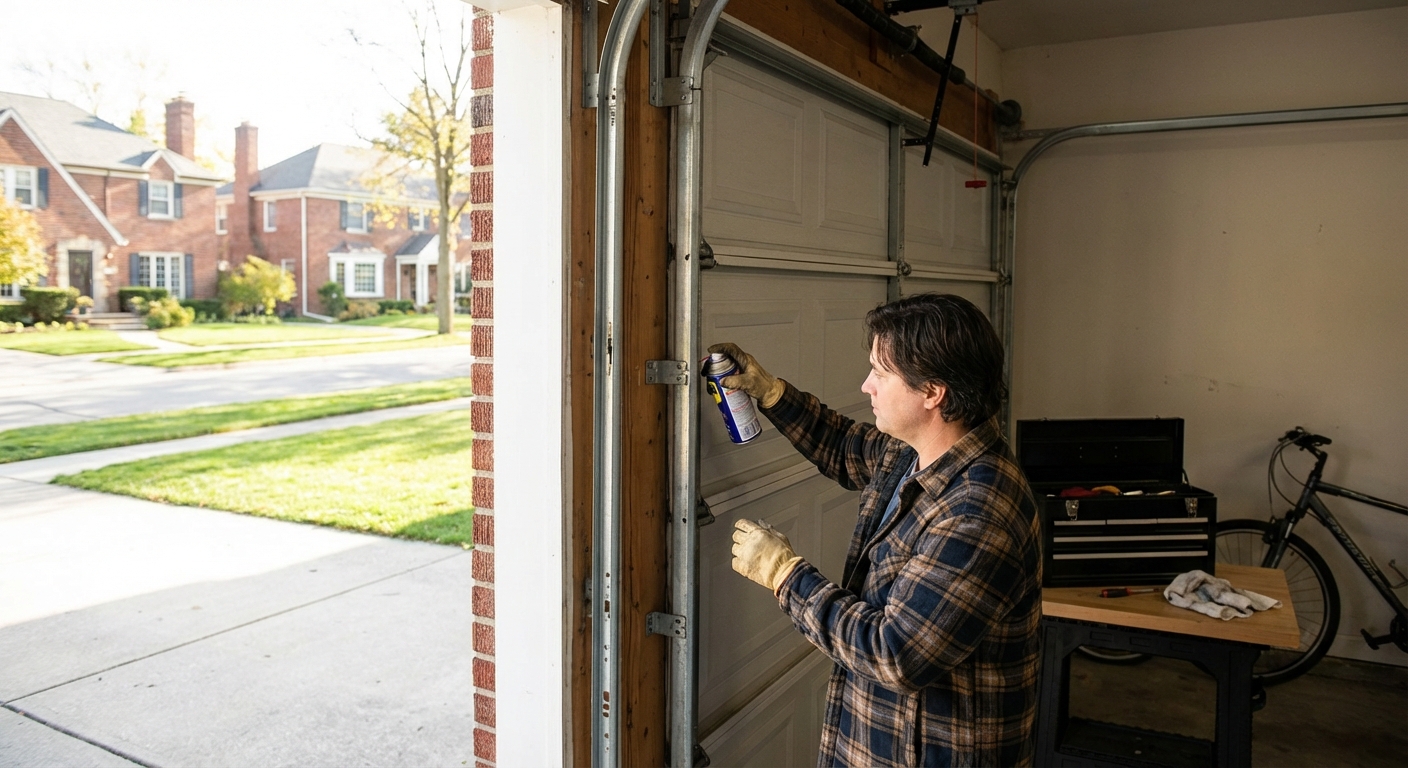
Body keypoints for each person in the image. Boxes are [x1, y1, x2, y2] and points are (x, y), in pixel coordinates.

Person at [713, 292, 1041, 767]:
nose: (866, 385)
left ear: (932, 392)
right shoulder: (913, 452)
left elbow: (896, 653)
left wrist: (785, 574)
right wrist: (769, 392)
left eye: (880, 374)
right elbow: (844, 444)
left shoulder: (978, 511)